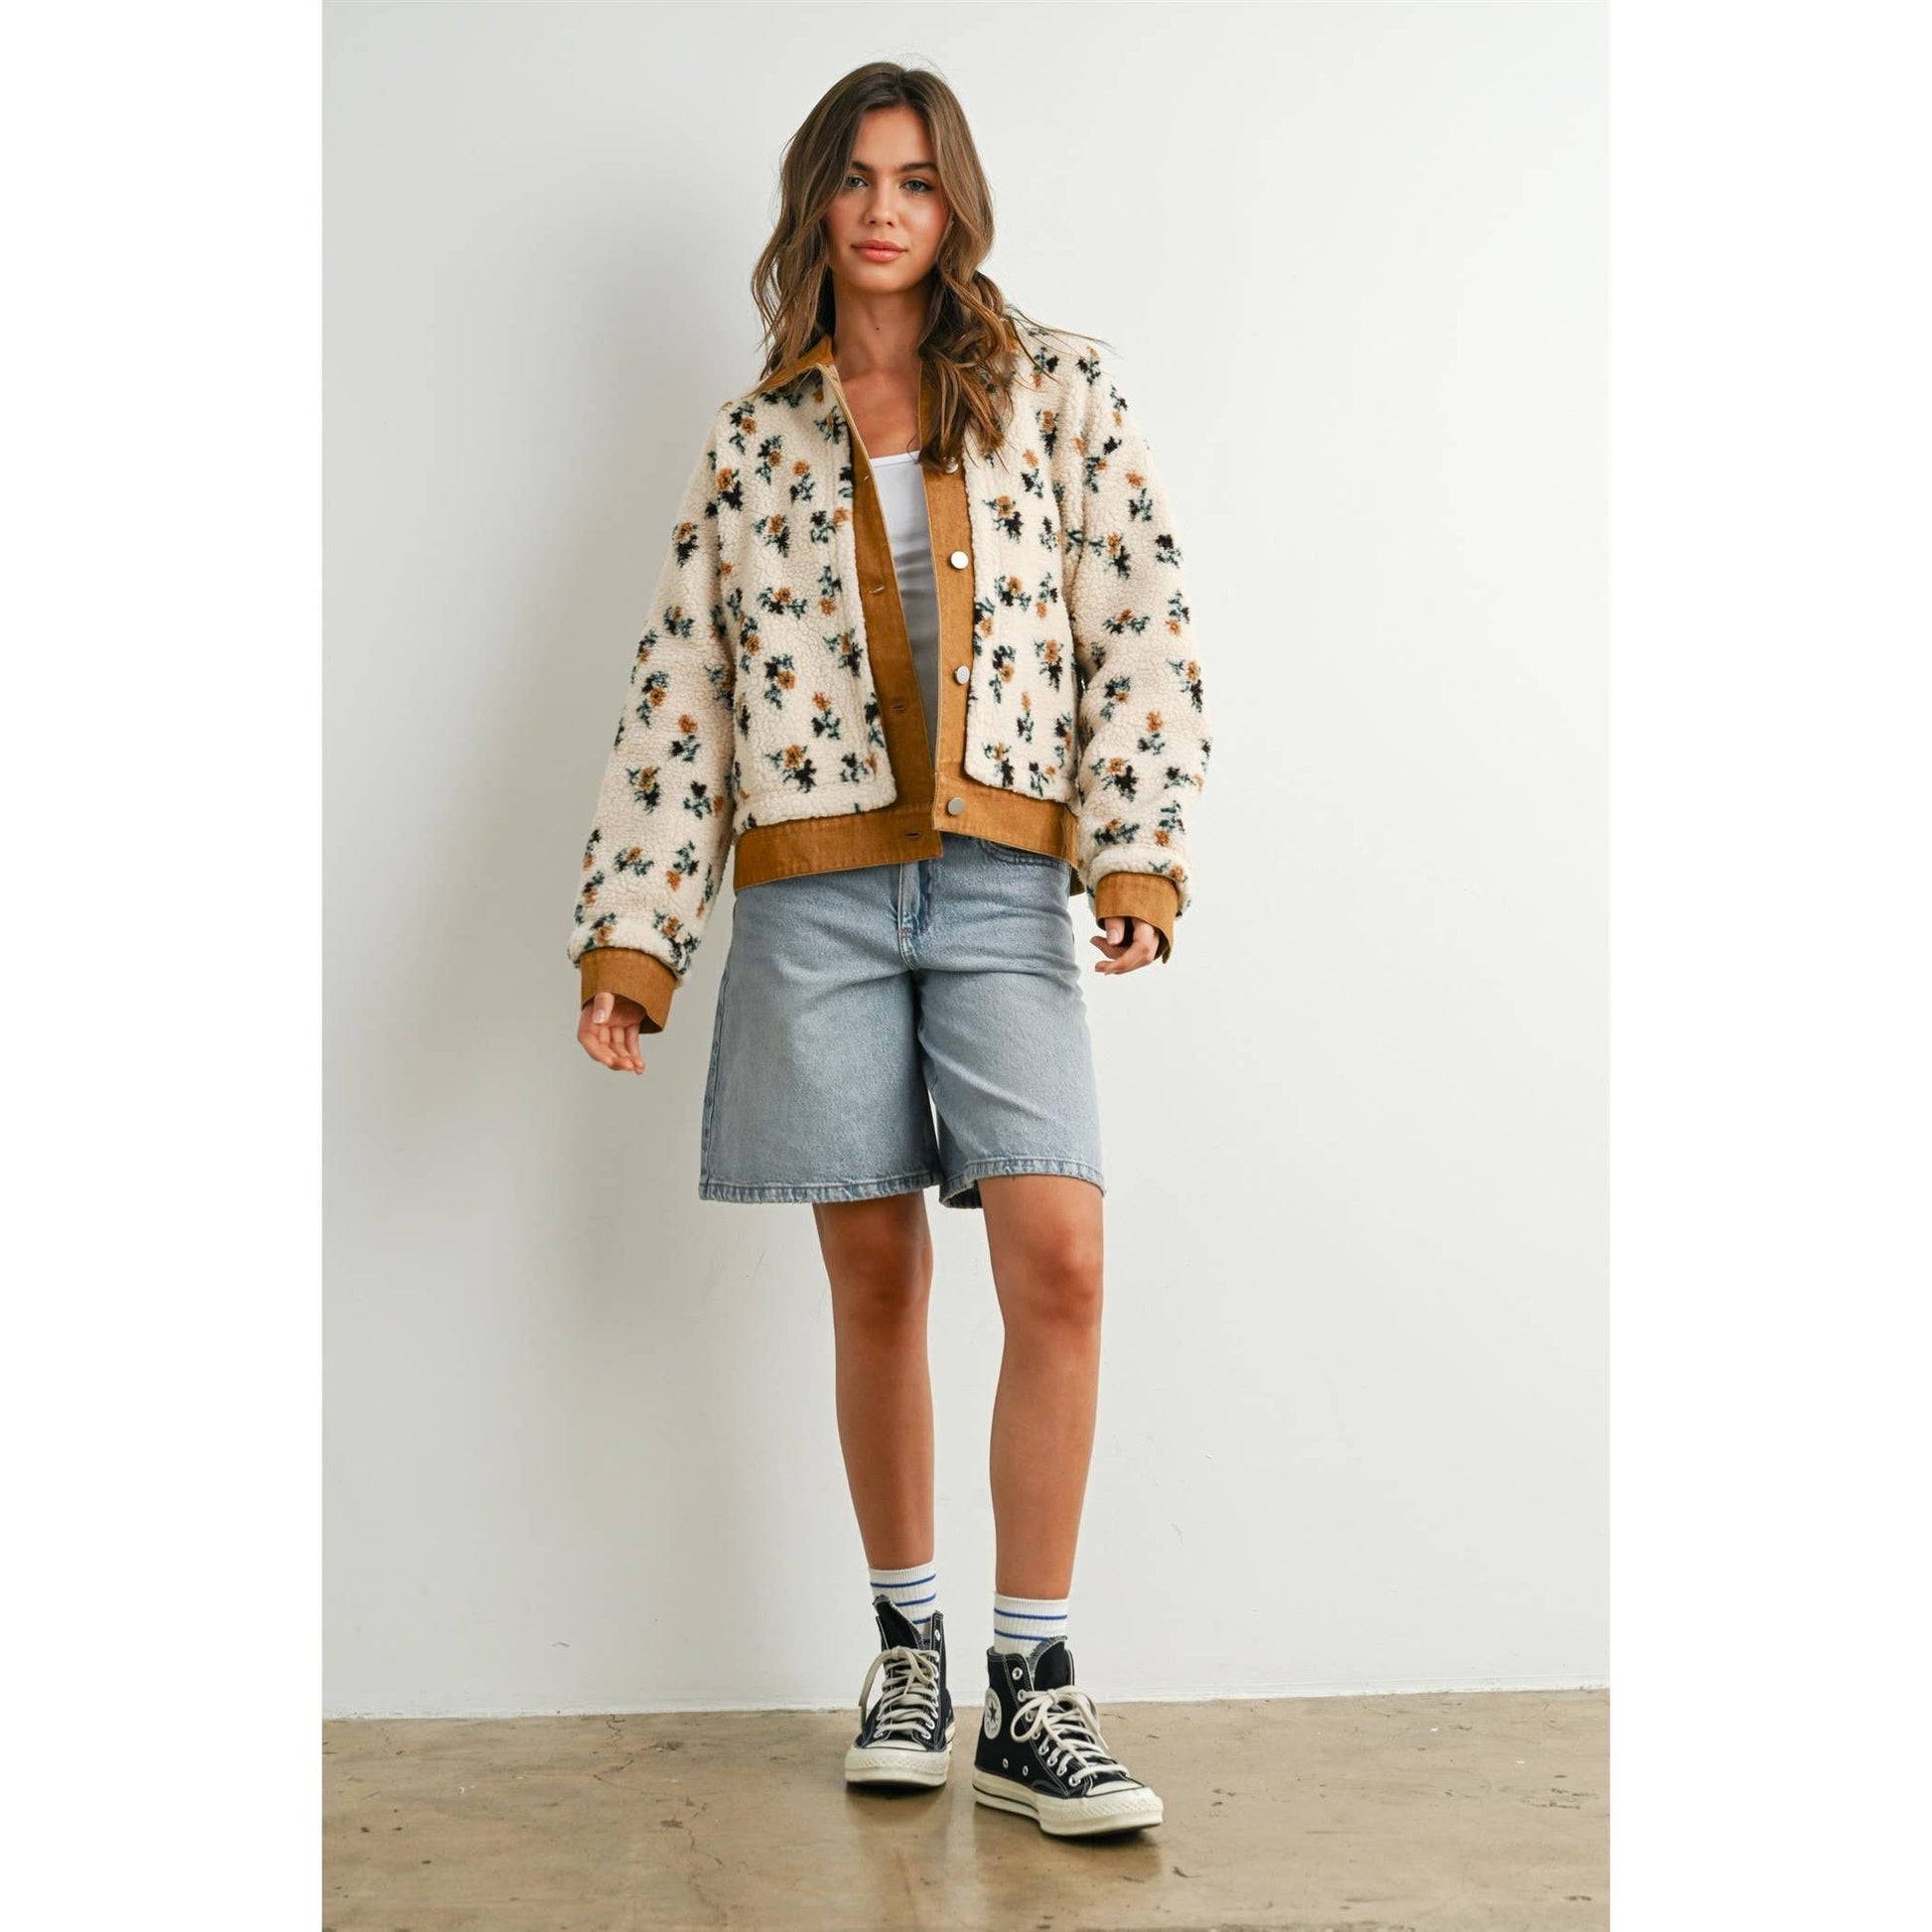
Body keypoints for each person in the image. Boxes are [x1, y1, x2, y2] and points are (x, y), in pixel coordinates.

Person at [567, 63, 1212, 1840]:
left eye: (915, 180)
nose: (882, 209)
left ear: (954, 205)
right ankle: (909, 1657)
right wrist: (633, 937)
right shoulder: (752, 435)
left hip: (998, 887)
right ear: (816, 203)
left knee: (1058, 1255)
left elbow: (1140, 619)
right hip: (815, 897)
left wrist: (1138, 848)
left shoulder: (1056, 389)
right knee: (874, 1281)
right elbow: (684, 690)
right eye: (855, 179)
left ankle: (1034, 1685)